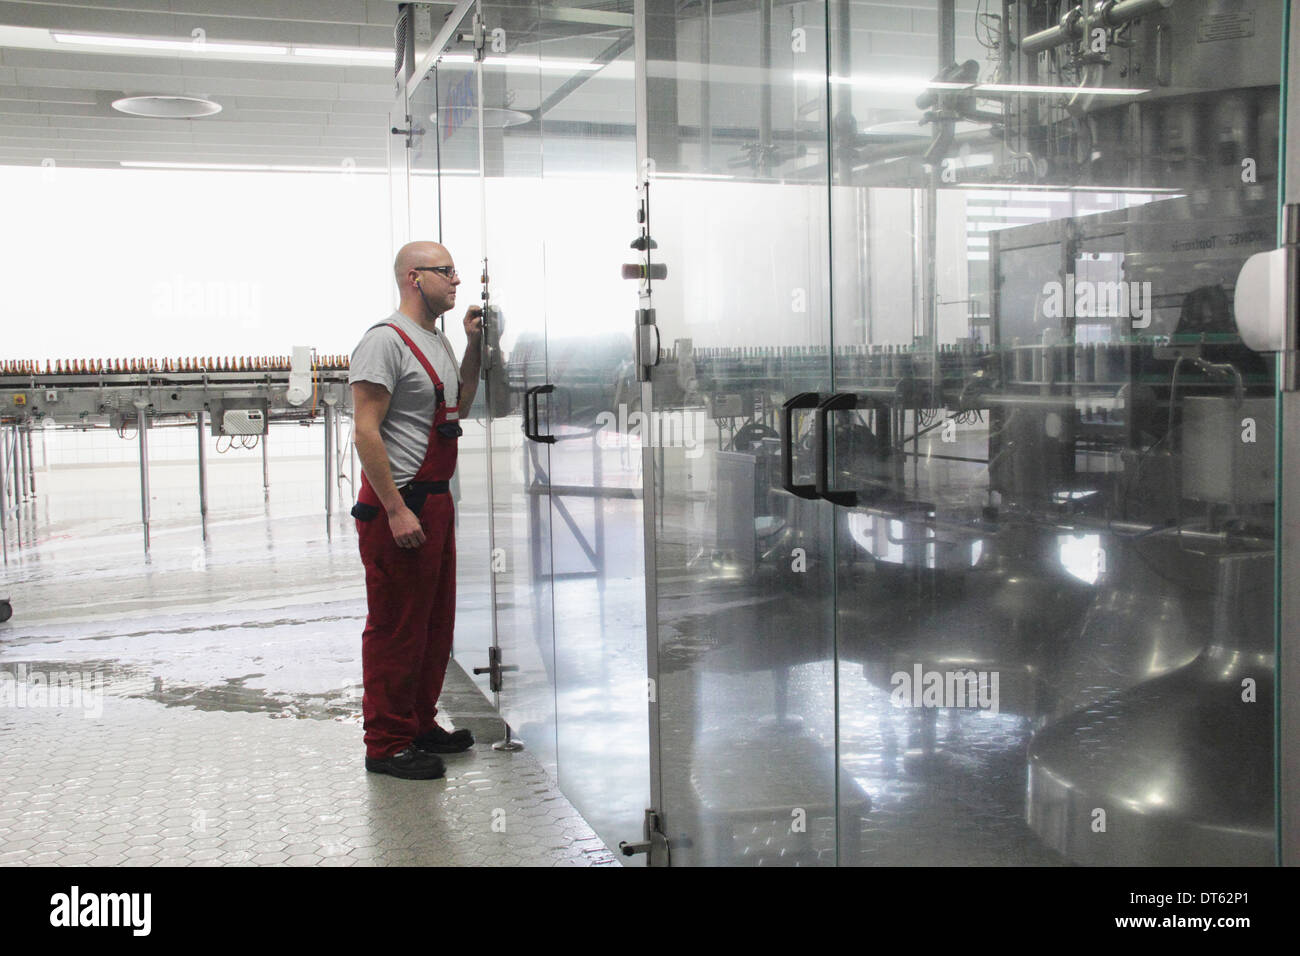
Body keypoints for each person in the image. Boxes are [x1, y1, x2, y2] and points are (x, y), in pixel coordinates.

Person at [348, 240, 483, 779]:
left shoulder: (438, 342)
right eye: (445, 271)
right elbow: (364, 430)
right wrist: (397, 510)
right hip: (398, 505)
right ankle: (385, 744)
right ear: (413, 277)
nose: (456, 280)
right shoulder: (384, 342)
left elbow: (462, 404)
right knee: (395, 628)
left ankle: (419, 724)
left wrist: (473, 345)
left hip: (436, 500)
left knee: (433, 625)